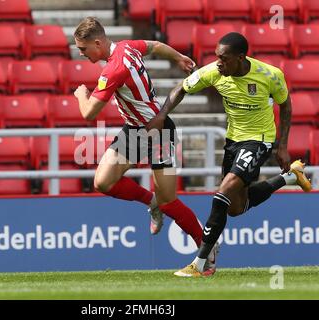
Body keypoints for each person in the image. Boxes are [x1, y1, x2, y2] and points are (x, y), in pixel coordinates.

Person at [146, 32, 312, 277]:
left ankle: (201, 264)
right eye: (217, 57)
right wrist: (161, 115)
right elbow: (181, 87)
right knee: (234, 207)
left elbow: (285, 105)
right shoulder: (214, 72)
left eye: (224, 58)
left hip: (259, 140)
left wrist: (282, 146)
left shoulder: (270, 75)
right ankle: (290, 177)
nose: (218, 62)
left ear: (240, 58)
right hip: (233, 141)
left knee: (221, 194)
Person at [72, 17, 219, 276]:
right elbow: (154, 45)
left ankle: (206, 251)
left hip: (158, 132)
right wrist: (178, 57)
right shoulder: (127, 47)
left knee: (169, 201)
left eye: (83, 49)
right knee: (103, 182)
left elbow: (89, 114)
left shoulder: (113, 70)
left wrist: (81, 95)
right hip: (136, 130)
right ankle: (151, 203)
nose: (81, 54)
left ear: (97, 42)